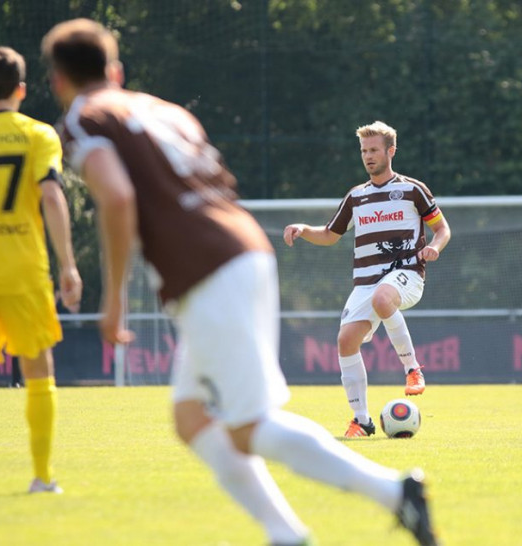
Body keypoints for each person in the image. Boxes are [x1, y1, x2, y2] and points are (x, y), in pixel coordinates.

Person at [41, 18, 438, 546]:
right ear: (115, 71)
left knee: (249, 425)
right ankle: (286, 534)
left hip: (210, 268)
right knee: (191, 418)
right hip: (242, 248)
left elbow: (116, 198)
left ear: (57, 80)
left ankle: (394, 493)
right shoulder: (164, 110)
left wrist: (112, 296)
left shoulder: (83, 118)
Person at [0, 46, 82, 496]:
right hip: (25, 272)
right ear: (22, 90)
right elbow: (51, 196)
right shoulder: (40, 134)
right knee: (39, 371)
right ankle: (42, 477)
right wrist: (68, 265)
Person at [283, 121, 451, 438]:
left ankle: (412, 368)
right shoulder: (356, 196)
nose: (368, 156)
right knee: (346, 341)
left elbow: (442, 228)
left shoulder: (413, 190)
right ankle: (361, 420)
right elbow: (331, 235)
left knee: (382, 298)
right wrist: (304, 230)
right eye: (364, 151)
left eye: (374, 150)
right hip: (365, 282)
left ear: (391, 151)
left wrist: (433, 246)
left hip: (406, 275)